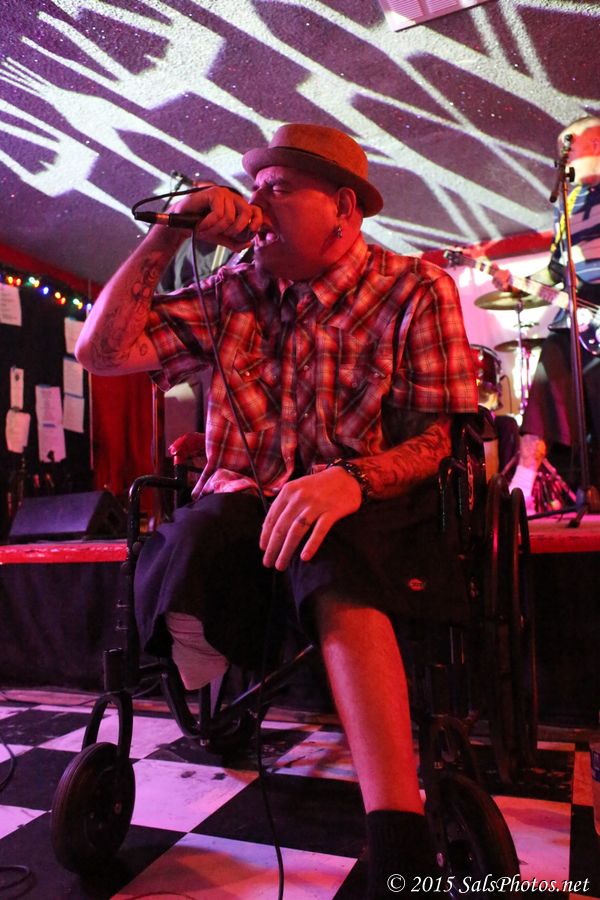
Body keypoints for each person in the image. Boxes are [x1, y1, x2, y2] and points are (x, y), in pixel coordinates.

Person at [75, 123, 477, 897]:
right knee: (193, 531)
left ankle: (398, 843)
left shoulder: (415, 288)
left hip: (363, 507)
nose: (257, 202)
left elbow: (438, 440)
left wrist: (351, 480)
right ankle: (208, 667)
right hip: (244, 509)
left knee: (331, 550)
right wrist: (171, 227)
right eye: (254, 186)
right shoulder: (232, 290)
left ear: (345, 210)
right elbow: (102, 351)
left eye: (281, 187)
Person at [509, 115, 600, 508]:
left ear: (596, 143)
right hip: (573, 320)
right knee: (543, 403)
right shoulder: (567, 202)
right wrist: (520, 282)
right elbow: (556, 268)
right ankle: (520, 493)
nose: (564, 154)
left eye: (570, 144)